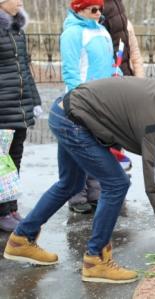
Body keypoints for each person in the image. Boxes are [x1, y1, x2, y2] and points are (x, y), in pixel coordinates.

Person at [3, 77, 155, 283]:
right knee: (116, 183)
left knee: (71, 184)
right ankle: (95, 260)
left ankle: (21, 239)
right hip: (75, 121)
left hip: (65, 111)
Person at [61, 0, 122, 214]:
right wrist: (78, 99)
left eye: (99, 9)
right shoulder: (72, 33)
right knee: (80, 148)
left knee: (97, 147)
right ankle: (77, 196)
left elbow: (109, 63)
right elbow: (70, 71)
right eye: (93, 10)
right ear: (79, 9)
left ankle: (95, 192)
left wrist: (117, 75)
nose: (98, 14)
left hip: (101, 99)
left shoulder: (102, 31)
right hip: (83, 100)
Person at [0, 0, 42, 231]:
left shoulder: (16, 30)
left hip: (19, 107)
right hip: (2, 108)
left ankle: (11, 207)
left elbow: (25, 69)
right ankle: (1, 211)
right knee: (1, 163)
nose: (21, 2)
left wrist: (34, 100)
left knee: (14, 159)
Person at [102, 0, 145, 78]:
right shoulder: (97, 8)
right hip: (112, 78)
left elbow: (134, 52)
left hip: (126, 75)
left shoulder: (118, 6)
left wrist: (140, 78)